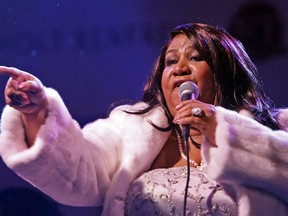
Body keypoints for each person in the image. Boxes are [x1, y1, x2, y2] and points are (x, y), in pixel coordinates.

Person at [0, 23, 287, 216]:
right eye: (171, 61)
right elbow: (77, 174)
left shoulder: (276, 130)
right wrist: (36, 112)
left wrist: (224, 131)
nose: (179, 69)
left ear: (226, 73)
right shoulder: (131, 128)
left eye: (196, 58)